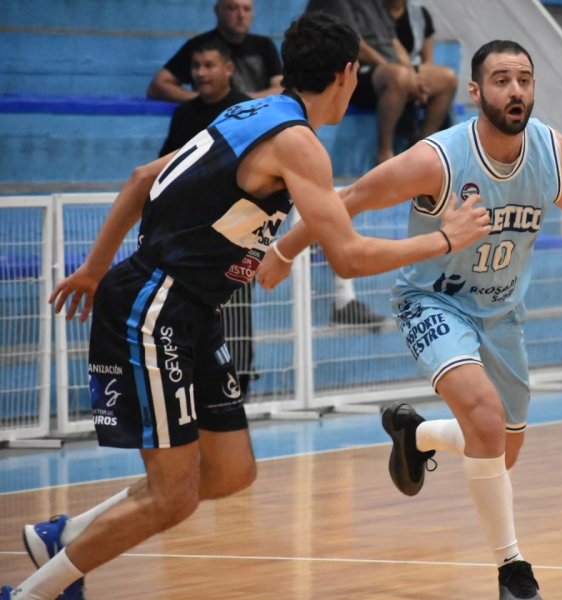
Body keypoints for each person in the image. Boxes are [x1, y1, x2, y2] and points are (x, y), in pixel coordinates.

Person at [0, 12, 490, 600]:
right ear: (347, 74)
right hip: (156, 304)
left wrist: (95, 267)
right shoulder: (298, 142)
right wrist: (445, 239)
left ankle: (65, 537)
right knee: (174, 497)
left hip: (192, 309)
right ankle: (31, 594)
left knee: (231, 472)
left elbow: (140, 178)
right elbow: (349, 257)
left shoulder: (251, 111)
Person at [254, 39, 562, 599]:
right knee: (486, 421)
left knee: (501, 450)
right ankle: (513, 570)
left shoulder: (551, 151)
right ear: (474, 92)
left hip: (502, 313)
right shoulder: (438, 160)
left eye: (524, 79)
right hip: (433, 302)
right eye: (502, 79)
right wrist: (283, 251)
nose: (516, 89)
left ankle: (416, 434)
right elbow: (349, 200)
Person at [158, 37, 258, 398]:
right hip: (188, 241)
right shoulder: (185, 115)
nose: (201, 73)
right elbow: (164, 173)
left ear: (229, 69)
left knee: (236, 316)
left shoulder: (246, 113)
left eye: (209, 65)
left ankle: (239, 386)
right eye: (196, 66)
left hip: (235, 237)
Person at [305, 0, 428, 164]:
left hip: (391, 67)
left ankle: (424, 148)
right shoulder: (337, 3)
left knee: (446, 78)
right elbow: (356, 46)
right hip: (361, 69)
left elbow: (394, 41)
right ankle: (384, 152)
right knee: (397, 77)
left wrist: (413, 76)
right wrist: (399, 72)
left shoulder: (376, 3)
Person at [147, 0, 282, 103]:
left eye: (247, 9)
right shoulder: (200, 46)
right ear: (218, 10)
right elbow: (158, 86)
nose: (241, 15)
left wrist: (239, 102)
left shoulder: (264, 45)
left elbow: (280, 88)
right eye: (232, 8)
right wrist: (202, 100)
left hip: (253, 117)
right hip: (210, 119)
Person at [387, 0, 458, 146]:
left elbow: (428, 60)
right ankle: (386, 149)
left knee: (448, 78)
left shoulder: (419, 14)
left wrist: (422, 82)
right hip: (387, 69)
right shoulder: (375, 14)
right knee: (400, 78)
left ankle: (426, 141)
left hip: (416, 70)